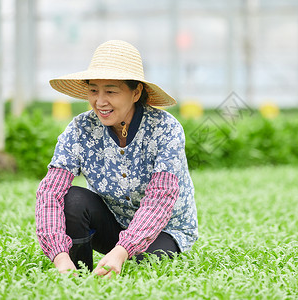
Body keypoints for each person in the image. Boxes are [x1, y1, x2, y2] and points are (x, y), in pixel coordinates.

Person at [35, 40, 198, 277]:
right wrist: (60, 255)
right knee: (73, 199)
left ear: (136, 92)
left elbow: (161, 198)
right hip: (113, 223)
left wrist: (122, 250)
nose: (100, 102)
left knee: (146, 265)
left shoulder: (166, 128)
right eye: (93, 91)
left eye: (110, 91)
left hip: (165, 229)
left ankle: (120, 257)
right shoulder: (80, 129)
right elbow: (50, 190)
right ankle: (76, 272)